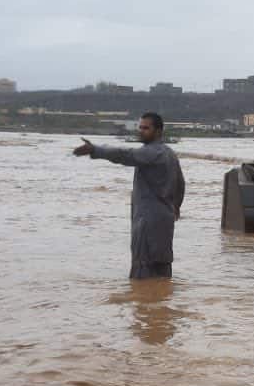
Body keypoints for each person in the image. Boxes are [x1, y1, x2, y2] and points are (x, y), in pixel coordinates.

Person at [74, 113, 185, 280]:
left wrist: (95, 150)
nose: (141, 131)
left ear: (158, 131)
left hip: (147, 222)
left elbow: (125, 155)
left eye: (146, 128)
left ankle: (144, 304)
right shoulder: (170, 154)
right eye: (140, 127)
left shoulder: (152, 152)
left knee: (141, 273)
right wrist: (175, 207)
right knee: (162, 273)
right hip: (164, 221)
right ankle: (162, 303)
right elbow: (181, 184)